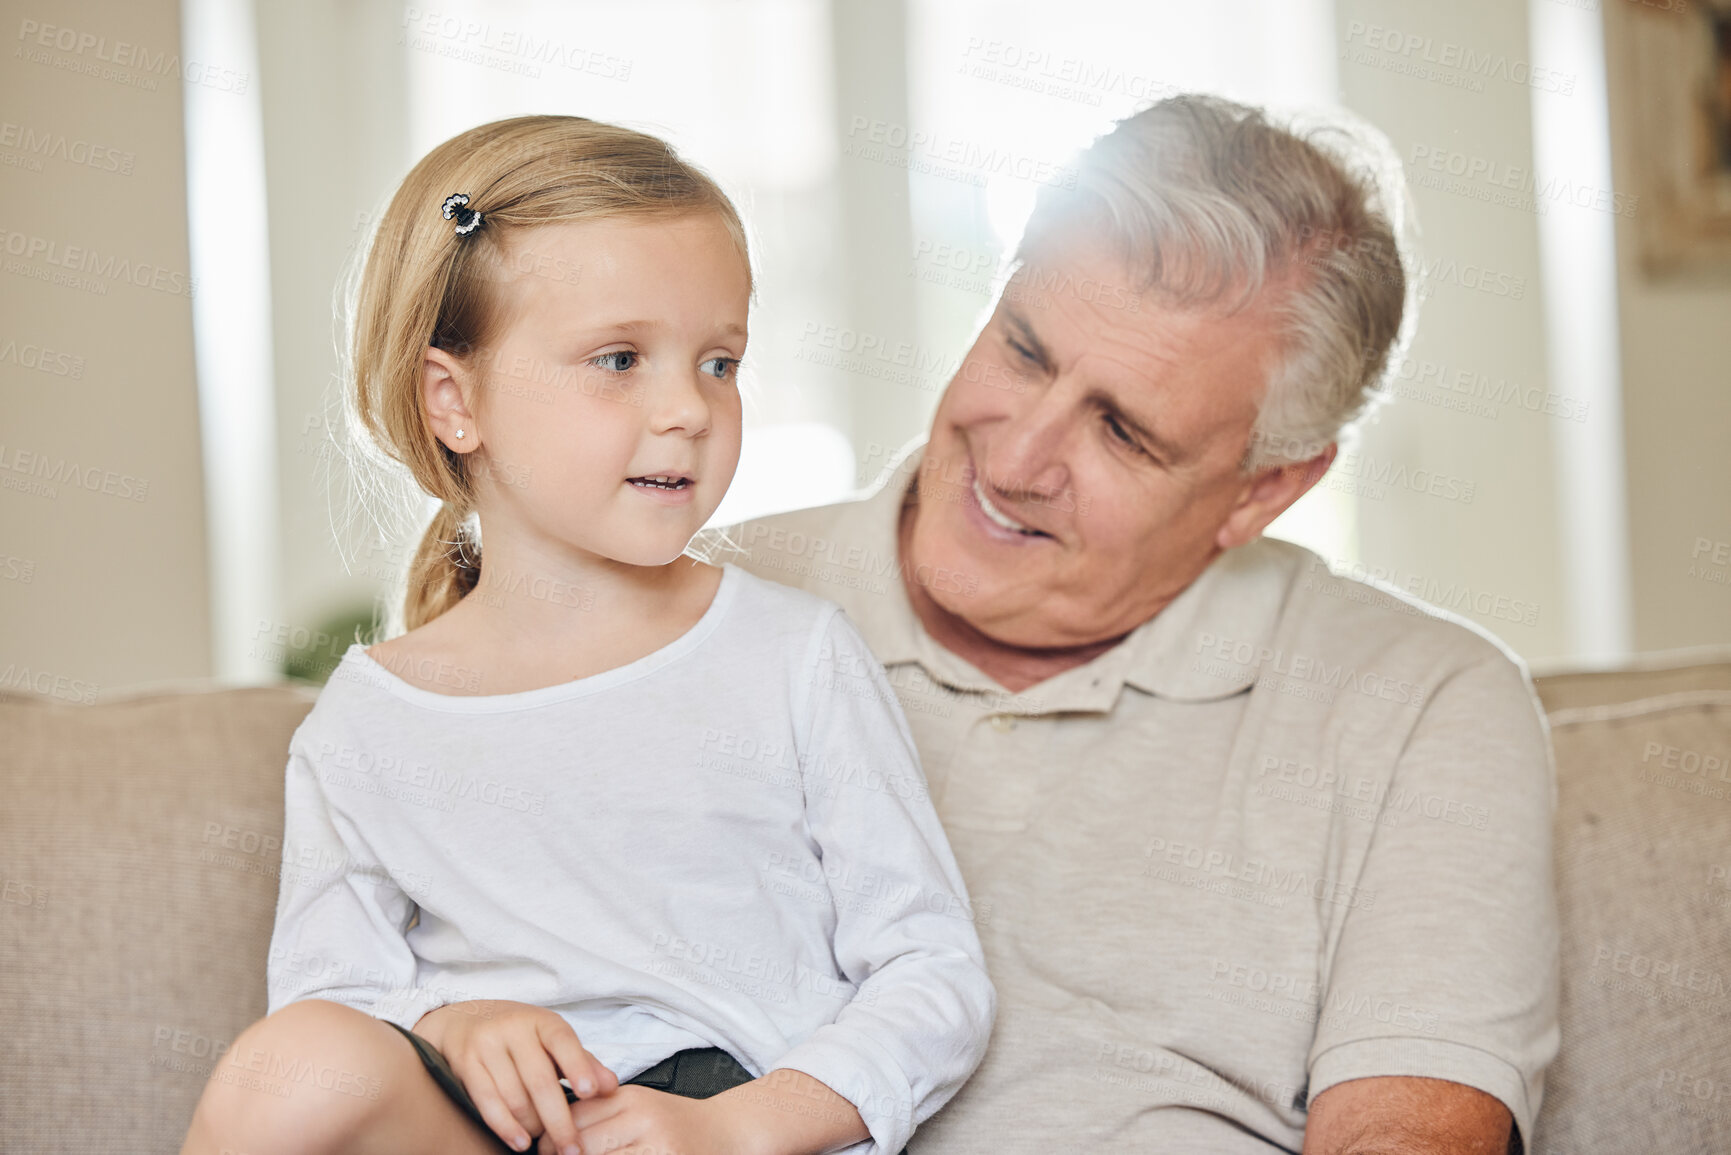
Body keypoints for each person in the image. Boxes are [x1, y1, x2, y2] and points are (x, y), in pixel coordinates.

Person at [724, 94, 1558, 1154]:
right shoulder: (703, 596)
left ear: (1263, 491)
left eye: (1122, 431)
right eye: (1024, 351)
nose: (1015, 461)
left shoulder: (1422, 704)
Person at [179, 115, 993, 1155]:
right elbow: (331, 991)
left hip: (728, 1120)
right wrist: (448, 1020)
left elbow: (933, 973)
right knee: (284, 1070)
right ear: (453, 400)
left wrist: (737, 1130)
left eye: (719, 363)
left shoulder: (792, 657)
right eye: (620, 358)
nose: (690, 410)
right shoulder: (370, 721)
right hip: (489, 1127)